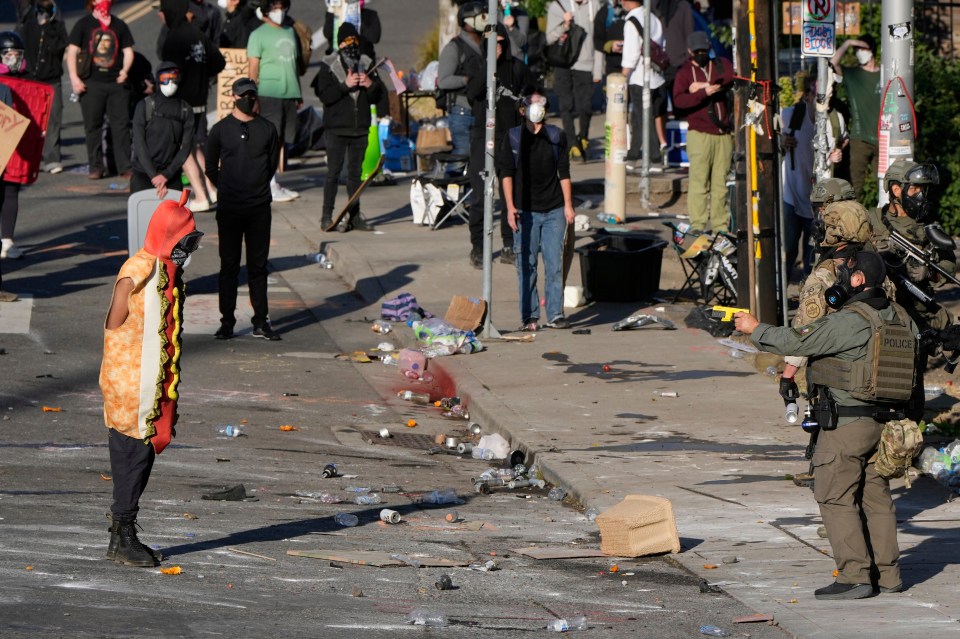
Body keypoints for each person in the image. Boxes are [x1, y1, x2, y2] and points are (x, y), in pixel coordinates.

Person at [736, 250, 913, 599]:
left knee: (834, 496)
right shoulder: (900, 318)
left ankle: (855, 576)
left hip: (847, 427)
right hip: (886, 426)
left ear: (859, 280)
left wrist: (755, 329)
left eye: (846, 275)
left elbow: (798, 340)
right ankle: (889, 576)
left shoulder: (852, 320)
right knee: (876, 499)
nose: (840, 282)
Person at [100, 191, 202, 566]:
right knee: (131, 456)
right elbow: (115, 322)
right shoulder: (140, 269)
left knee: (143, 455)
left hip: (153, 383)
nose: (186, 250)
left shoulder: (169, 272)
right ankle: (121, 536)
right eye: (183, 242)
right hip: (131, 383)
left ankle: (123, 535)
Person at [205, 77, 282, 341]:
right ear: (234, 98)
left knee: (258, 266)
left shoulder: (267, 129)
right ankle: (227, 322)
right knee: (229, 266)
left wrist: (256, 186)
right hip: (230, 209)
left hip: (259, 207)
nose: (249, 99)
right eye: (244, 95)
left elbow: (271, 163)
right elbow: (209, 166)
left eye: (252, 95)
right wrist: (226, 188)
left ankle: (261, 321)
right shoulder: (220, 130)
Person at [499, 88, 575, 332]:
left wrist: (568, 206)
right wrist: (510, 208)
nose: (536, 106)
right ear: (522, 109)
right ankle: (529, 317)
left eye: (540, 102)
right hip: (525, 211)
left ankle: (555, 314)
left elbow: (564, 172)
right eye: (531, 103)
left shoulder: (556, 136)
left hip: (554, 209)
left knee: (554, 264)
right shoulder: (513, 138)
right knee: (526, 265)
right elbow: (506, 174)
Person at [869, 159, 953, 335]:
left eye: (922, 189)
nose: (921, 195)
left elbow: (949, 264)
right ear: (896, 190)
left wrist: (929, 273)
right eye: (915, 189)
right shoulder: (872, 221)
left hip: (918, 311)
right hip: (879, 310)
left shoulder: (929, 226)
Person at [312, 22, 382, 233]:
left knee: (355, 175)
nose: (351, 46)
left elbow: (378, 96)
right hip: (336, 128)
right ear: (340, 44)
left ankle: (354, 215)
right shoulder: (328, 64)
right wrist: (345, 86)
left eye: (354, 42)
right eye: (346, 42)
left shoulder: (367, 63)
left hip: (359, 128)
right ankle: (326, 216)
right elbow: (325, 95)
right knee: (333, 173)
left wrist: (370, 84)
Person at [160, 0, 225, 212]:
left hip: (182, 101)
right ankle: (211, 189)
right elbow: (219, 62)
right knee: (194, 146)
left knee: (183, 148)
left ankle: (200, 195)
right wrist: (202, 75)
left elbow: (169, 71)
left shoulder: (173, 38)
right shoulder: (198, 34)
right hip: (200, 99)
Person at [780, 74, 846, 279]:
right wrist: (781, 142)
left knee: (814, 252)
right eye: (820, 94)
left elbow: (843, 140)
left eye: (829, 93)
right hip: (791, 191)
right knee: (788, 248)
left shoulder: (835, 119)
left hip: (820, 199)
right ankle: (779, 292)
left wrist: (838, 154)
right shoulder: (789, 115)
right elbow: (767, 140)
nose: (827, 98)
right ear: (807, 95)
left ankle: (807, 296)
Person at [65, 0, 135, 180]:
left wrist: (125, 71)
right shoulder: (83, 24)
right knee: (93, 127)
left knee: (121, 126)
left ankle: (125, 167)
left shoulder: (119, 25)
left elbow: (128, 51)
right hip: (91, 83)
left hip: (116, 84)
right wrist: (74, 78)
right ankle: (96, 167)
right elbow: (72, 51)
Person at [672, 30, 732, 233]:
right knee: (699, 182)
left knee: (720, 185)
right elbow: (678, 101)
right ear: (689, 51)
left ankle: (720, 226)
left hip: (723, 134)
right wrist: (701, 93)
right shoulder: (684, 73)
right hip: (699, 134)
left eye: (704, 50)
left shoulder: (719, 64)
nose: (701, 54)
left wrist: (705, 86)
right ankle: (697, 224)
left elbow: (731, 75)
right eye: (697, 51)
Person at [488, 24, 534, 265]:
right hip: (490, 140)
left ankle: (517, 241)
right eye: (490, 44)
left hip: (516, 136)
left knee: (518, 190)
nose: (495, 49)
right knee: (499, 192)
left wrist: (527, 104)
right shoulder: (482, 69)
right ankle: (506, 242)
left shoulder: (517, 67)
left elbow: (536, 94)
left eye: (499, 44)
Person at [247, 0, 301, 203]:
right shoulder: (257, 35)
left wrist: (298, 94)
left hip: (289, 93)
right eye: (275, 8)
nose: (280, 12)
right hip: (269, 93)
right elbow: (253, 68)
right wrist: (251, 96)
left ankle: (273, 181)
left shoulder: (289, 31)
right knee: (269, 140)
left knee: (280, 142)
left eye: (282, 7)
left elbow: (294, 63)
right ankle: (268, 184)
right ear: (266, 11)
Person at [130, 62, 194, 199]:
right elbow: (139, 144)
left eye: (174, 78)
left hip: (171, 176)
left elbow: (186, 147)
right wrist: (154, 176)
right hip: (144, 175)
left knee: (173, 220)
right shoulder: (145, 106)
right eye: (165, 78)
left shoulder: (185, 110)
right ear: (158, 80)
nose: (170, 82)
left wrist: (166, 175)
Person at [17, 0, 67, 175]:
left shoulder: (58, 28)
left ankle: (52, 159)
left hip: (52, 79)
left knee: (53, 120)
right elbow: (19, 48)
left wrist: (48, 28)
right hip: (32, 80)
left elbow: (59, 49)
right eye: (41, 9)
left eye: (47, 10)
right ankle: (29, 159)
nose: (43, 13)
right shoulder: (27, 26)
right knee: (31, 121)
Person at [547, 0, 601, 161]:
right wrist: (565, 24)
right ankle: (572, 144)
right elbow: (549, 38)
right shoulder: (557, 6)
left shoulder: (595, 6)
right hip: (563, 63)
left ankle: (583, 137)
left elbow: (598, 39)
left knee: (585, 106)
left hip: (586, 64)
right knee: (566, 106)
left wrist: (598, 69)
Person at [830, 35, 880, 200]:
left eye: (862, 48)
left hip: (884, 139)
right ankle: (852, 222)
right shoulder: (852, 74)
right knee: (854, 188)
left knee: (887, 187)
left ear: (872, 50)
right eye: (856, 49)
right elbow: (833, 62)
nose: (859, 52)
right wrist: (847, 43)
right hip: (859, 139)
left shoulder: (885, 74)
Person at [437, 0, 486, 161]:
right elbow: (444, 81)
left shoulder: (487, 45)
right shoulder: (454, 47)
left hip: (483, 111)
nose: (485, 20)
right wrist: (467, 80)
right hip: (462, 111)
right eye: (481, 16)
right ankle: (451, 185)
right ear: (467, 22)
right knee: (461, 159)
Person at [620, 0, 666, 170]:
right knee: (640, 118)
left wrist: (621, 77)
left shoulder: (632, 21)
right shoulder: (653, 17)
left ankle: (655, 160)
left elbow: (631, 54)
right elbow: (662, 45)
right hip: (656, 77)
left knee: (643, 119)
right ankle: (632, 157)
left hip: (639, 77)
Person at [0, 33, 27, 261]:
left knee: (11, 190)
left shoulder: (25, 78)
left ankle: (7, 240)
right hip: (4, 142)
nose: (12, 58)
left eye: (16, 55)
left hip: (13, 144)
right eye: (8, 54)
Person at [593, 0, 625, 79]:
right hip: (614, 65)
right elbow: (597, 42)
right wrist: (611, 46)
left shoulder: (636, 9)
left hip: (635, 65)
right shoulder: (604, 12)